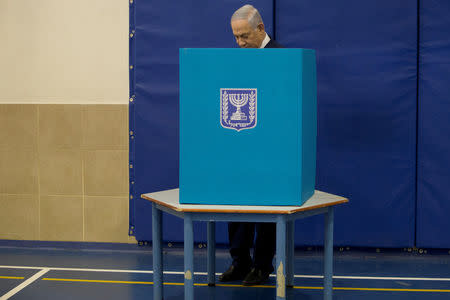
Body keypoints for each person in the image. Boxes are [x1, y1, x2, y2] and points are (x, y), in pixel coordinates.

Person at [219, 4, 283, 286]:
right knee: (237, 205)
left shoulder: (282, 58)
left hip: (270, 149)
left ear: (260, 29)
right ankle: (239, 261)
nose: (239, 43)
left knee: (265, 210)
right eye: (235, 37)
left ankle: (261, 266)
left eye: (244, 36)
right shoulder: (238, 60)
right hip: (240, 145)